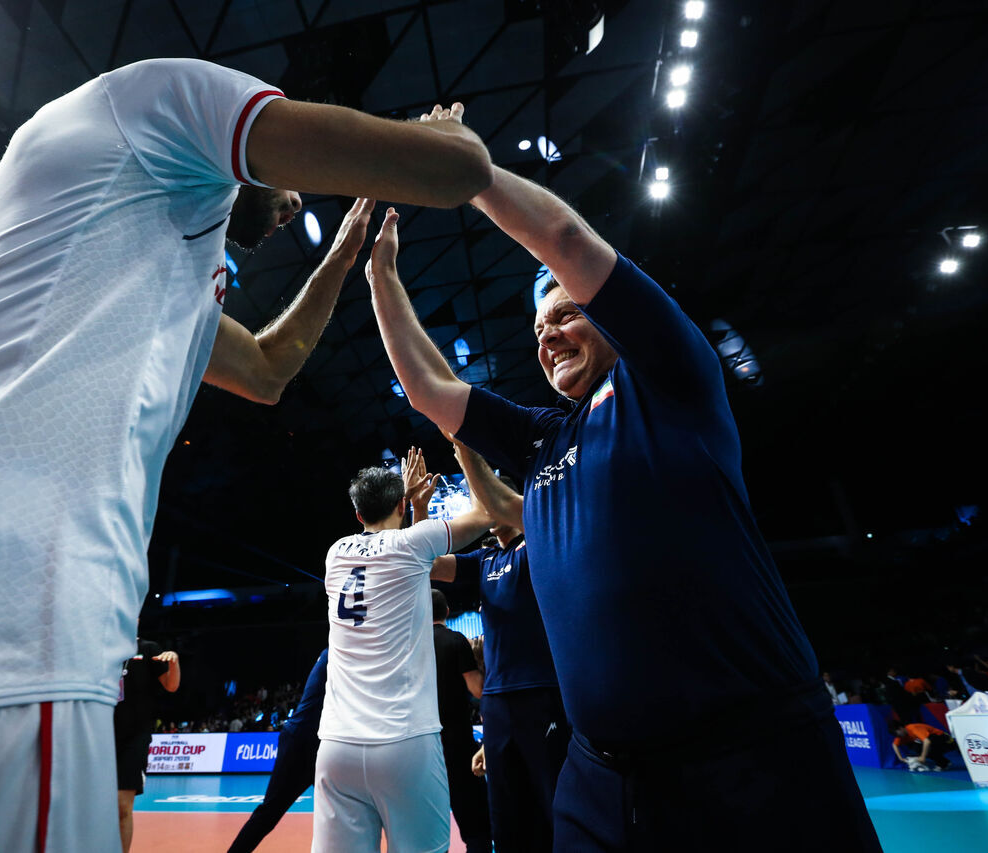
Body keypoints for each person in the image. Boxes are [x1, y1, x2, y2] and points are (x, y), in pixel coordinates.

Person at [0, 59, 491, 851]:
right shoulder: (161, 97)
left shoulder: (144, 251)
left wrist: (352, 235)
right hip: (0, 630)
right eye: (290, 187)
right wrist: (444, 137)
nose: (294, 206)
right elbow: (456, 169)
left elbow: (266, 367)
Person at [362, 103, 881, 851]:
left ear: (610, 320)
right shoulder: (543, 438)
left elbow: (565, 238)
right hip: (600, 777)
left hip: (751, 758)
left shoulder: (667, 381)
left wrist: (463, 171)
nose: (548, 337)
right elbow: (428, 392)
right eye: (538, 333)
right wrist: (382, 275)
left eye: (564, 316)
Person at [315, 466, 489, 853]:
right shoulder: (412, 543)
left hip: (336, 747)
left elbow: (406, 569)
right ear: (400, 503)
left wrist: (413, 511)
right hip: (404, 742)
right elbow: (486, 515)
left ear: (358, 514)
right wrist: (466, 450)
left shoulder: (335, 555)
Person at [433, 442, 568, 853]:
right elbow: (429, 564)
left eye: (487, 498)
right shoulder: (486, 560)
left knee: (555, 814)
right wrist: (416, 515)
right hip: (497, 706)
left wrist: (465, 453)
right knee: (506, 822)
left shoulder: (540, 540)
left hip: (541, 696)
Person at [227, 648, 329, 853]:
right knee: (269, 814)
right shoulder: (338, 652)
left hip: (326, 743)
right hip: (301, 741)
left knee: (338, 817)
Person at [431, 589, 493, 853]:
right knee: (475, 823)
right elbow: (478, 690)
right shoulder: (457, 641)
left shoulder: (409, 643)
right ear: (447, 612)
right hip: (457, 743)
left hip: (421, 744)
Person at [115, 638, 180, 853]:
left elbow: (172, 685)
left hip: (134, 736)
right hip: (100, 734)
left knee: (123, 807)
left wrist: (174, 662)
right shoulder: (101, 648)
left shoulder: (148, 649)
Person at [889, 721, 957, 771]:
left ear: (900, 728)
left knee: (926, 745)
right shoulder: (901, 736)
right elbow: (894, 745)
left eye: (897, 734)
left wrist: (922, 757)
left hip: (946, 740)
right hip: (935, 743)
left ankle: (943, 763)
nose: (898, 736)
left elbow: (927, 742)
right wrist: (900, 758)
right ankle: (944, 763)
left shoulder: (913, 728)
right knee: (916, 747)